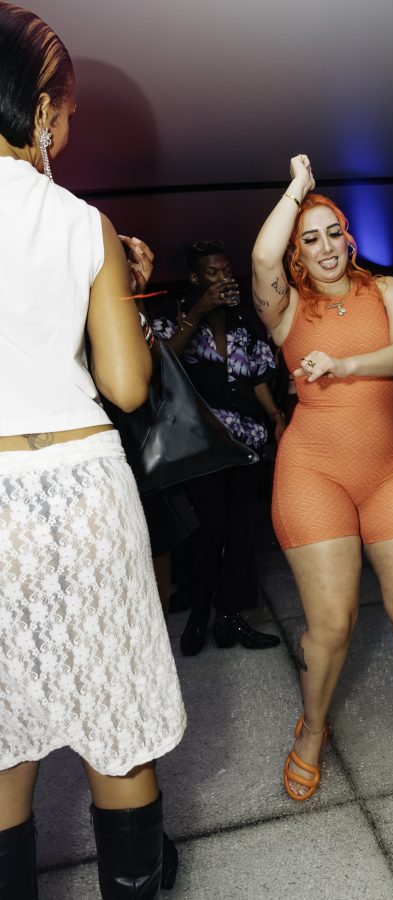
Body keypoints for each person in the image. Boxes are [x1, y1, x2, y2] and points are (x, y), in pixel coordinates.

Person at [0, 4, 186, 897]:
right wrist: (113, 287)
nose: (67, 134)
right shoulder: (82, 223)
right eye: (66, 115)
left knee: (3, 743)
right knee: (117, 727)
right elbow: (127, 385)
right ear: (38, 110)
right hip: (81, 490)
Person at [251, 155, 393, 802]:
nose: (324, 248)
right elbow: (260, 258)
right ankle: (313, 730)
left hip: (390, 472)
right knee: (333, 624)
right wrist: (298, 191)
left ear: (349, 238)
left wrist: (344, 366)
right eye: (309, 239)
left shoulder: (389, 291)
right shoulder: (286, 310)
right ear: (296, 254)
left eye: (333, 234)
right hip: (313, 473)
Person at [153, 242, 282, 656]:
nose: (223, 279)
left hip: (246, 440)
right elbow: (162, 365)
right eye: (213, 273)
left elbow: (257, 375)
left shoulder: (244, 318)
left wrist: (276, 416)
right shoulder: (173, 314)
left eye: (226, 271)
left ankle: (231, 617)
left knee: (241, 529)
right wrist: (198, 311)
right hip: (204, 444)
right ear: (195, 277)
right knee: (211, 529)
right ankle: (199, 616)